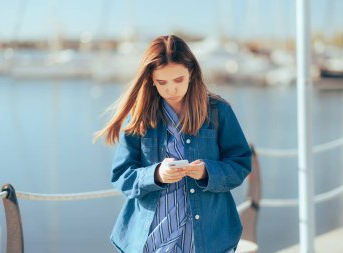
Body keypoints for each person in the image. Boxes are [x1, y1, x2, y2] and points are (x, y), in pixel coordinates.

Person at [95, 35, 252, 253]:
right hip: (152, 241)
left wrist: (208, 171)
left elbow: (241, 163)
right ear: (151, 79)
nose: (171, 89)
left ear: (191, 73)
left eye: (178, 80)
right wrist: (156, 174)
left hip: (207, 238)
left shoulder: (218, 112)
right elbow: (122, 176)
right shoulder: (139, 117)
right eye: (162, 82)